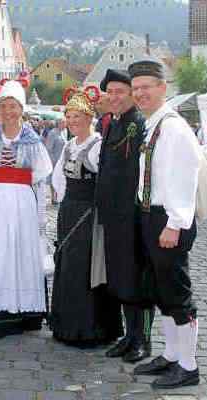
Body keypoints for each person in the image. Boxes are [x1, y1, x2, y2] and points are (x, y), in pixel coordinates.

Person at [127, 60, 203, 389]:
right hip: (151, 216)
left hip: (168, 219)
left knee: (176, 293)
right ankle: (172, 355)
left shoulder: (173, 127)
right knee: (160, 290)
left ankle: (188, 365)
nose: (140, 93)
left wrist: (174, 224)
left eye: (147, 87)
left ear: (163, 88)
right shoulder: (152, 124)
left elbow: (184, 178)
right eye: (136, 88)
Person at [0, 80, 53, 339]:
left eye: (13, 106)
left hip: (22, 205)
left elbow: (40, 179)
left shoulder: (33, 141)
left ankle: (23, 313)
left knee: (19, 252)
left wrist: (40, 215)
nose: (8, 111)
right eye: (3, 106)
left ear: (21, 109)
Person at [49, 93, 123, 347]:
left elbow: (108, 181)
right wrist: (63, 200)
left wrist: (97, 205)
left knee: (88, 267)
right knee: (68, 265)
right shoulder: (69, 145)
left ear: (89, 118)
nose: (72, 121)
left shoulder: (97, 145)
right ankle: (67, 325)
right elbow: (58, 180)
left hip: (89, 214)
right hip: (69, 211)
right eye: (69, 117)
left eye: (77, 117)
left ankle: (91, 328)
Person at [95, 68, 155, 364]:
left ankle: (143, 339)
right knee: (121, 278)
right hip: (114, 217)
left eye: (121, 92)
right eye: (111, 92)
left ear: (131, 94)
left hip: (133, 217)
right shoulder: (113, 123)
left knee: (140, 282)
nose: (114, 97)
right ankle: (129, 336)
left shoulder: (139, 124)